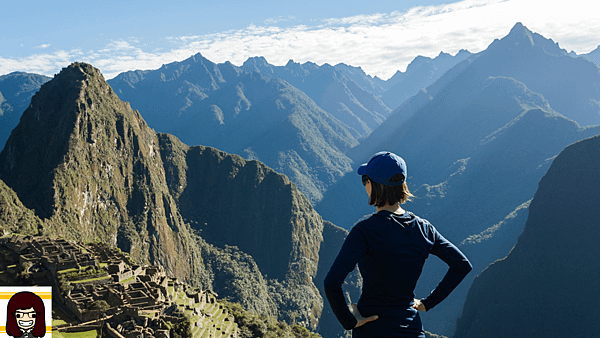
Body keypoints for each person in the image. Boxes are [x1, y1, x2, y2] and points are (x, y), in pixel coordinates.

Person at [324, 151, 472, 337]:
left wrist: (349, 321)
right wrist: (428, 302)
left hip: (373, 330)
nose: (365, 185)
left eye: (365, 180)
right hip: (411, 329)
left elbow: (331, 282)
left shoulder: (365, 231)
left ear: (375, 185)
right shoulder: (424, 229)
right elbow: (461, 265)